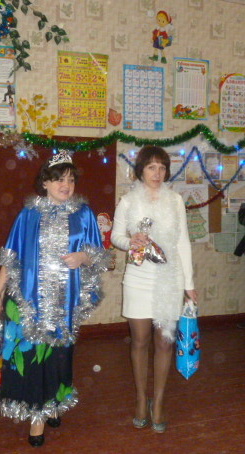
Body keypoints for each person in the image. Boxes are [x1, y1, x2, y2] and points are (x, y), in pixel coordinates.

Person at [0, 151, 112, 447]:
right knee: (34, 359)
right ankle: (37, 417)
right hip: (29, 302)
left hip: (65, 303)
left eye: (70, 180)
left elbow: (99, 256)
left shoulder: (84, 214)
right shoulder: (28, 215)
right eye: (59, 179)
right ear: (45, 182)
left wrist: (83, 257)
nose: (65, 185)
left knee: (59, 358)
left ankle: (54, 402)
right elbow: (11, 257)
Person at [111, 145, 197, 433]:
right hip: (138, 279)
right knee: (140, 341)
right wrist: (131, 241)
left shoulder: (175, 200)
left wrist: (189, 284)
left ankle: (157, 402)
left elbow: (183, 242)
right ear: (141, 170)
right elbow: (116, 237)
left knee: (165, 342)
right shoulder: (128, 201)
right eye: (151, 167)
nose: (157, 173)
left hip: (169, 278)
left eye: (162, 167)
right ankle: (140, 398)